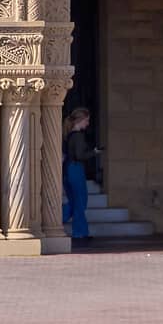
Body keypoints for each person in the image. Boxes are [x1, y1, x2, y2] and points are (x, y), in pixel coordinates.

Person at [61, 99, 95, 246]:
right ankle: (79, 232)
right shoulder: (78, 136)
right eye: (86, 120)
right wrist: (94, 152)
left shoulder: (68, 135)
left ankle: (79, 231)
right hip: (75, 169)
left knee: (75, 202)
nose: (87, 124)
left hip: (68, 169)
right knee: (80, 201)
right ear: (81, 120)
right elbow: (80, 155)